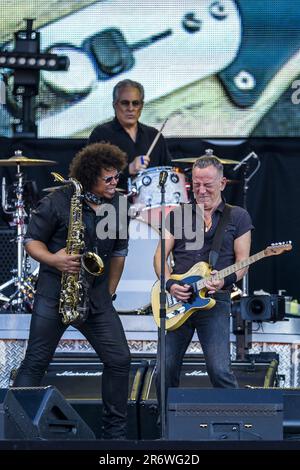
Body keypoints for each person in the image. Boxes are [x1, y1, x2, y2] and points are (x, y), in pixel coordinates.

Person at [13, 142, 131, 440]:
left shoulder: (116, 204)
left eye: (117, 177)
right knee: (36, 361)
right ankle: (17, 429)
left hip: (96, 297)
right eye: (109, 179)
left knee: (119, 360)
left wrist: (109, 294)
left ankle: (114, 436)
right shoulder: (58, 201)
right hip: (55, 293)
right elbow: (31, 242)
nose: (115, 183)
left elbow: (118, 252)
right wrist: (55, 259)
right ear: (91, 176)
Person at [154, 153, 253, 397]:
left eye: (207, 184)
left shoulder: (237, 216)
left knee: (219, 370)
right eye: (196, 184)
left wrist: (226, 280)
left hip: (215, 301)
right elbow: (159, 257)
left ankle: (235, 426)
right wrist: (169, 284)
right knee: (164, 370)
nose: (201, 190)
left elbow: (243, 262)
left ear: (222, 183)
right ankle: (165, 427)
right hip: (180, 299)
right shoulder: (179, 215)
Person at [88, 79, 172, 190]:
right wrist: (128, 169)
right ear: (115, 105)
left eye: (135, 103)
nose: (131, 108)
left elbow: (169, 172)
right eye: (125, 103)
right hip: (114, 204)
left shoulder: (154, 135)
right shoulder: (100, 134)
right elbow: (91, 177)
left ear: (141, 106)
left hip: (151, 204)